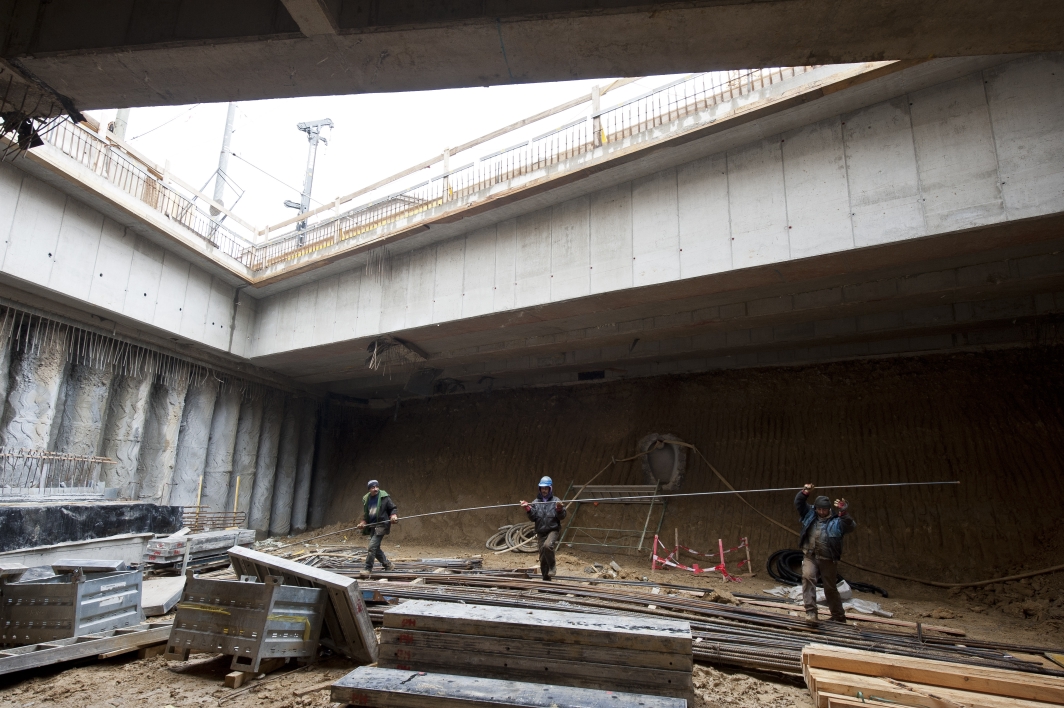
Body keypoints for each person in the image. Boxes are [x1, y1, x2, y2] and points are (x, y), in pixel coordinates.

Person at [795, 483, 856, 624]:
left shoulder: (837, 521)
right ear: (815, 508)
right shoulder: (809, 515)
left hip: (828, 559)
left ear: (829, 509)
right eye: (819, 509)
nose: (821, 512)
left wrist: (844, 512)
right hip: (810, 555)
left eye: (824, 509)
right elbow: (799, 502)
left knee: (830, 588)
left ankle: (838, 616)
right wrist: (805, 492)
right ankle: (811, 612)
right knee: (807, 578)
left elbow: (850, 526)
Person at [520, 476, 566, 581]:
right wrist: (528, 509)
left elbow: (562, 516)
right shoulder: (536, 502)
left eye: (546, 488)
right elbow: (533, 518)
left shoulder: (556, 501)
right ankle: (546, 580)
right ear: (539, 489)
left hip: (553, 530)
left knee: (547, 546)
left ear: (550, 488)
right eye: (542, 488)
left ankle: (552, 566)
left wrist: (559, 510)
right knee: (542, 558)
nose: (544, 490)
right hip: (541, 532)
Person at [358, 479, 398, 572]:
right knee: (375, 549)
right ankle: (388, 565)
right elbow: (367, 514)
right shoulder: (366, 499)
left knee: (372, 547)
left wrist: (393, 516)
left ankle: (368, 568)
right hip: (372, 526)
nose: (375, 489)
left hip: (381, 525)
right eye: (373, 487)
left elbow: (392, 508)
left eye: (376, 487)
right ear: (369, 489)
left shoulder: (384, 497)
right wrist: (363, 522)